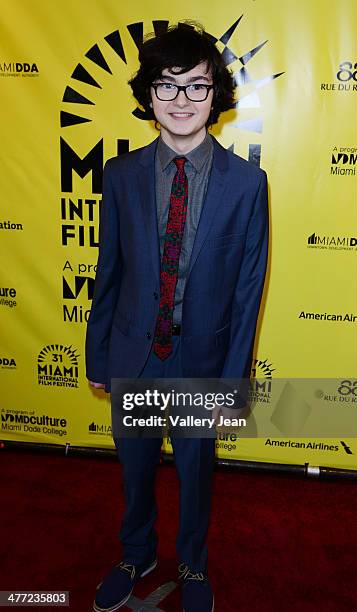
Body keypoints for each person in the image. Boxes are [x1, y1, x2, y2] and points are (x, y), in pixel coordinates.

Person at [85, 21, 269, 612]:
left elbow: (248, 294)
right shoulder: (119, 176)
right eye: (166, 87)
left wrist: (233, 382)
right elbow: (106, 275)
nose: (181, 100)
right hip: (133, 357)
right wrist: (97, 358)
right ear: (147, 98)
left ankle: (192, 563)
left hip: (202, 364)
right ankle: (135, 552)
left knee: (196, 478)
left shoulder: (249, 185)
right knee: (134, 474)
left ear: (215, 95)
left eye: (195, 86)